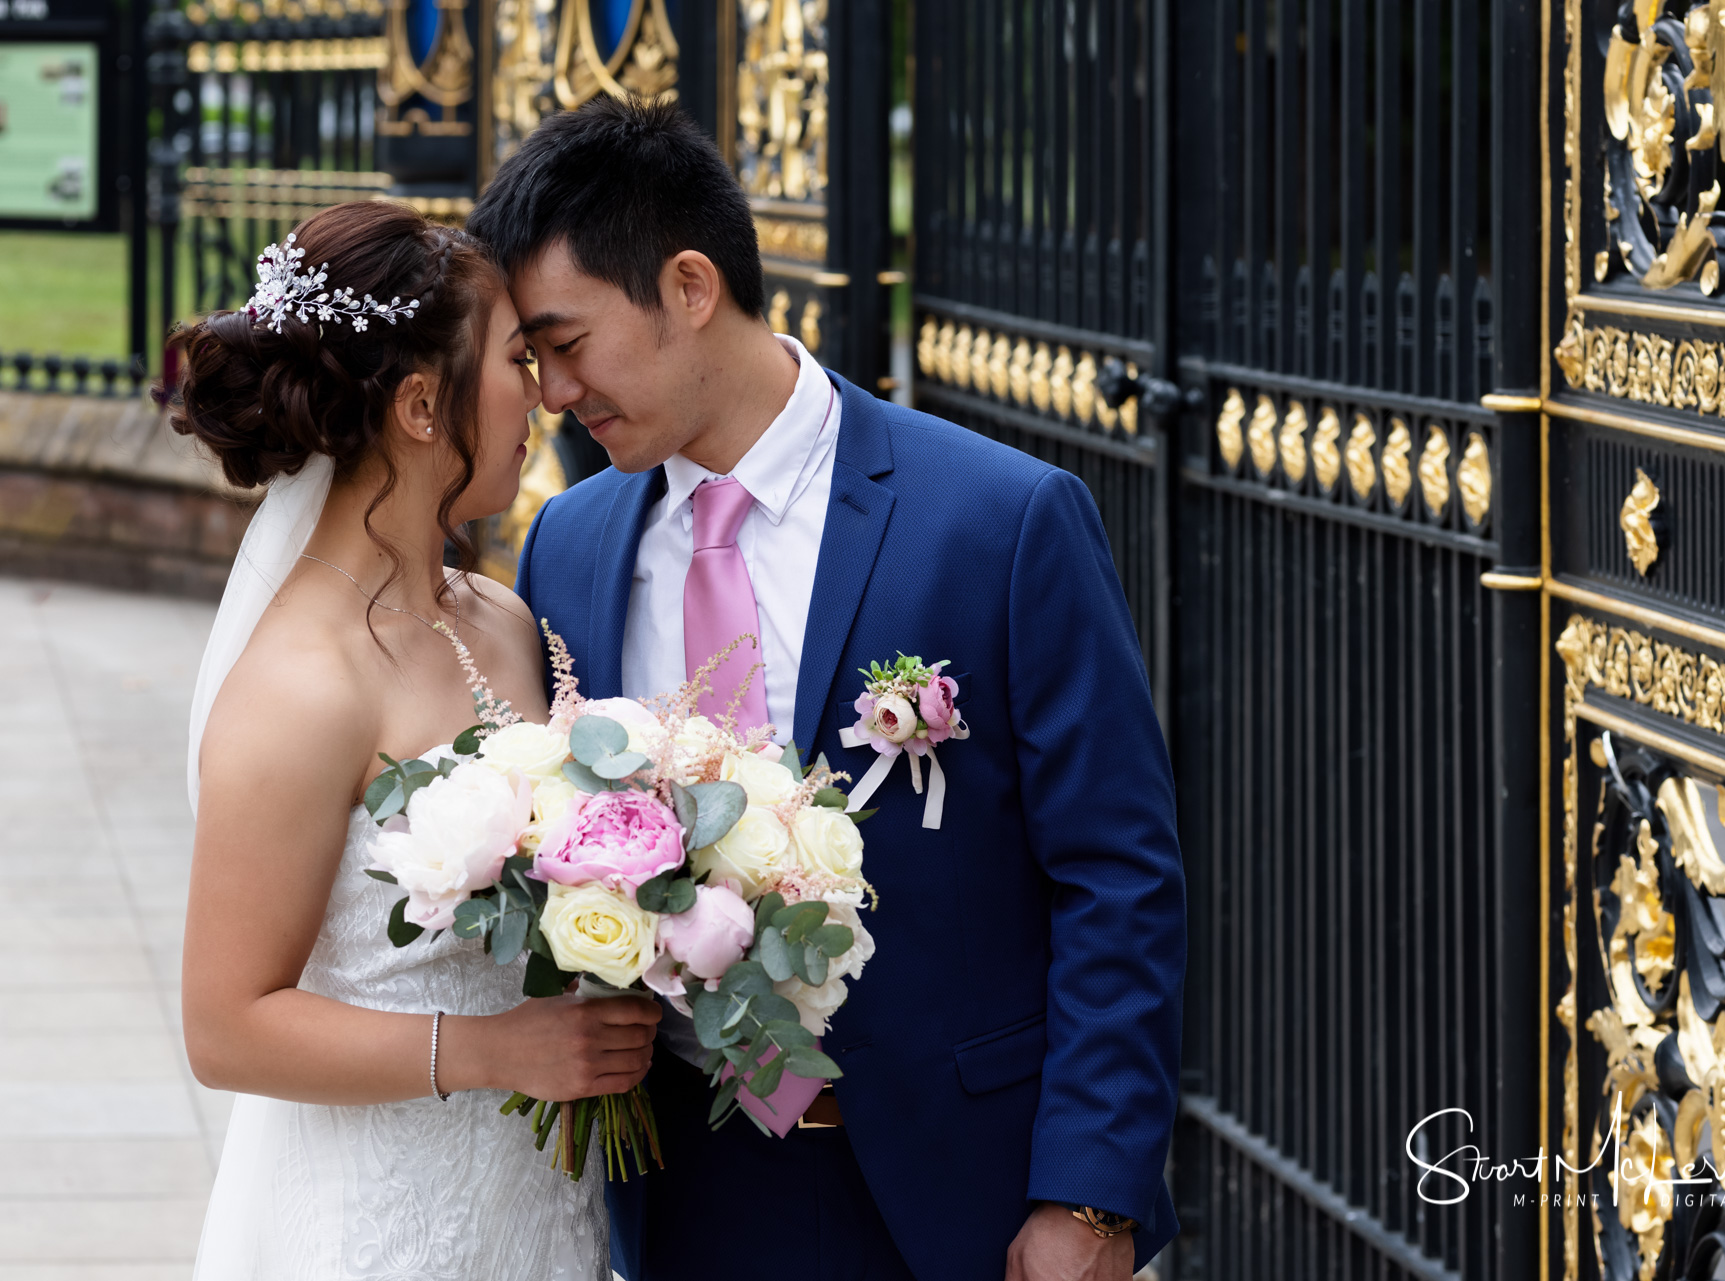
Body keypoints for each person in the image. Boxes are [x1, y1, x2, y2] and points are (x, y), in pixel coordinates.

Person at [468, 98, 1185, 1281]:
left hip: (954, 1190)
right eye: (532, 359)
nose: (551, 392)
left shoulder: (1000, 522)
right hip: (678, 1186)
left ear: (690, 286)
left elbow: (1118, 874)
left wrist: (1091, 1198)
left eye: (566, 341)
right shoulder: (571, 545)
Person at [175, 201, 660, 1280]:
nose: (542, 394)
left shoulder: (501, 618)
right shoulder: (301, 684)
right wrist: (497, 1052)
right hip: (380, 1217)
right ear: (420, 406)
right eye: (513, 359)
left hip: (538, 1200)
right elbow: (225, 1026)